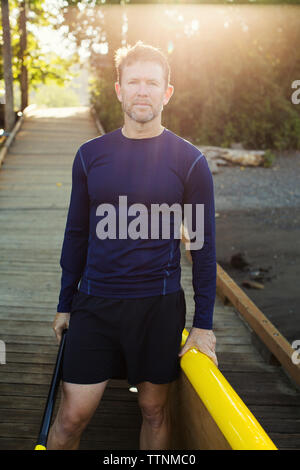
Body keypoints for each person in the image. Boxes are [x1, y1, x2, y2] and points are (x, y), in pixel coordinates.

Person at [48, 40, 217, 451]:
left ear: (167, 93)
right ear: (119, 89)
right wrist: (65, 301)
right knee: (71, 416)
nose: (143, 91)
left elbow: (202, 246)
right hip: (95, 303)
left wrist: (203, 325)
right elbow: (76, 233)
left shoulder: (190, 161)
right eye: (134, 82)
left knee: (154, 411)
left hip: (157, 308)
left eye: (152, 83)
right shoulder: (90, 155)